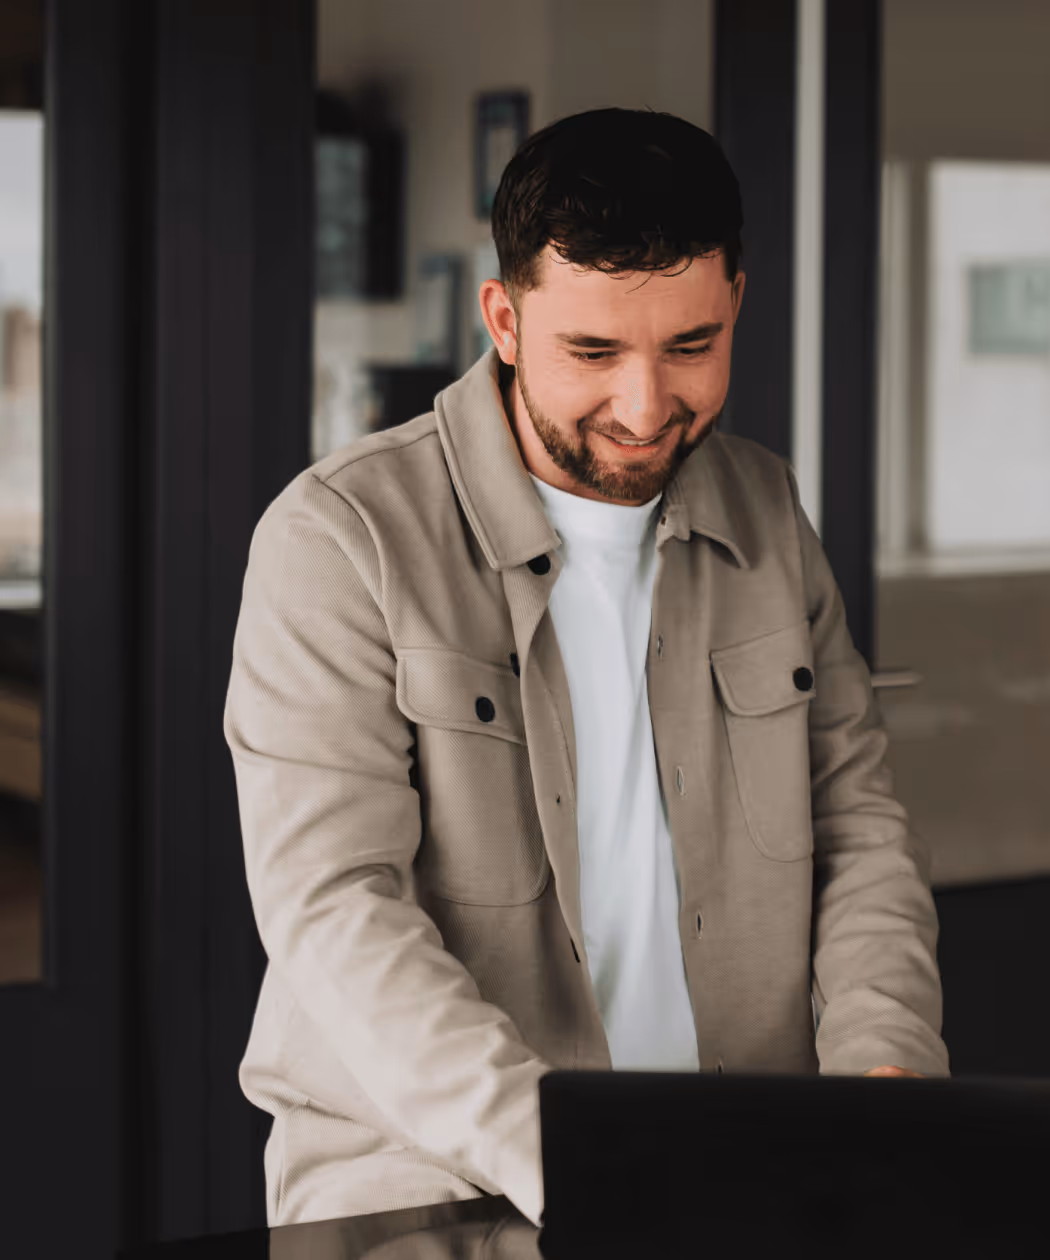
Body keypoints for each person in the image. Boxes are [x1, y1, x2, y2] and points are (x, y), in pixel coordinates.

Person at [225, 108, 946, 1227]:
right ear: (504, 320)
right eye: (595, 352)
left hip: (741, 1173)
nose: (646, 406)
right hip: (429, 1191)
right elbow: (334, 909)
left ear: (737, 305)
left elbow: (857, 833)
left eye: (691, 348)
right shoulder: (340, 537)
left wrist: (884, 1075)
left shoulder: (767, 511)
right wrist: (583, 1164)